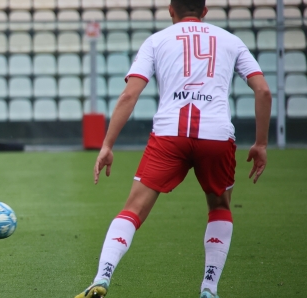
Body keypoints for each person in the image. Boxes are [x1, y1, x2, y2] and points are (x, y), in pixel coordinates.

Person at [75, 0, 272, 297]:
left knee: (133, 210)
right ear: (204, 11)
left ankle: (102, 277)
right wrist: (261, 143)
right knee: (219, 207)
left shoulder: (156, 41)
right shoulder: (231, 41)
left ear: (170, 9)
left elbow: (129, 95)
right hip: (216, 136)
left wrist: (107, 145)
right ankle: (209, 287)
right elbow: (264, 90)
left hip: (169, 136)